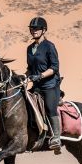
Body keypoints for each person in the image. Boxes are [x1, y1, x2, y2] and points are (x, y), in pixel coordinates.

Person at [25, 16, 62, 154]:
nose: (34, 30)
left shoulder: (49, 46)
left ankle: (56, 138)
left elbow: (54, 68)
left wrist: (40, 75)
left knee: (49, 108)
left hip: (50, 85)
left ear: (43, 30)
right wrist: (25, 76)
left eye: (37, 28)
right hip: (36, 86)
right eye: (32, 28)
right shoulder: (29, 48)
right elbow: (30, 67)